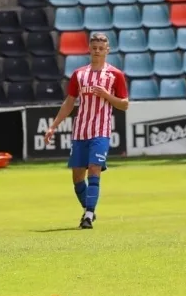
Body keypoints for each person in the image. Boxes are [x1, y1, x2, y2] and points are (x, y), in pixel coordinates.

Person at [43, 33, 129, 230]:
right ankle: (89, 208)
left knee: (94, 169)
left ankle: (88, 215)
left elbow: (124, 105)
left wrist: (107, 95)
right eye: (94, 47)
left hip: (101, 130)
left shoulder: (115, 75)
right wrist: (53, 126)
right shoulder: (79, 74)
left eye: (101, 48)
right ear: (89, 49)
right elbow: (69, 102)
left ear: (108, 50)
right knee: (77, 178)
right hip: (80, 131)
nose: (97, 51)